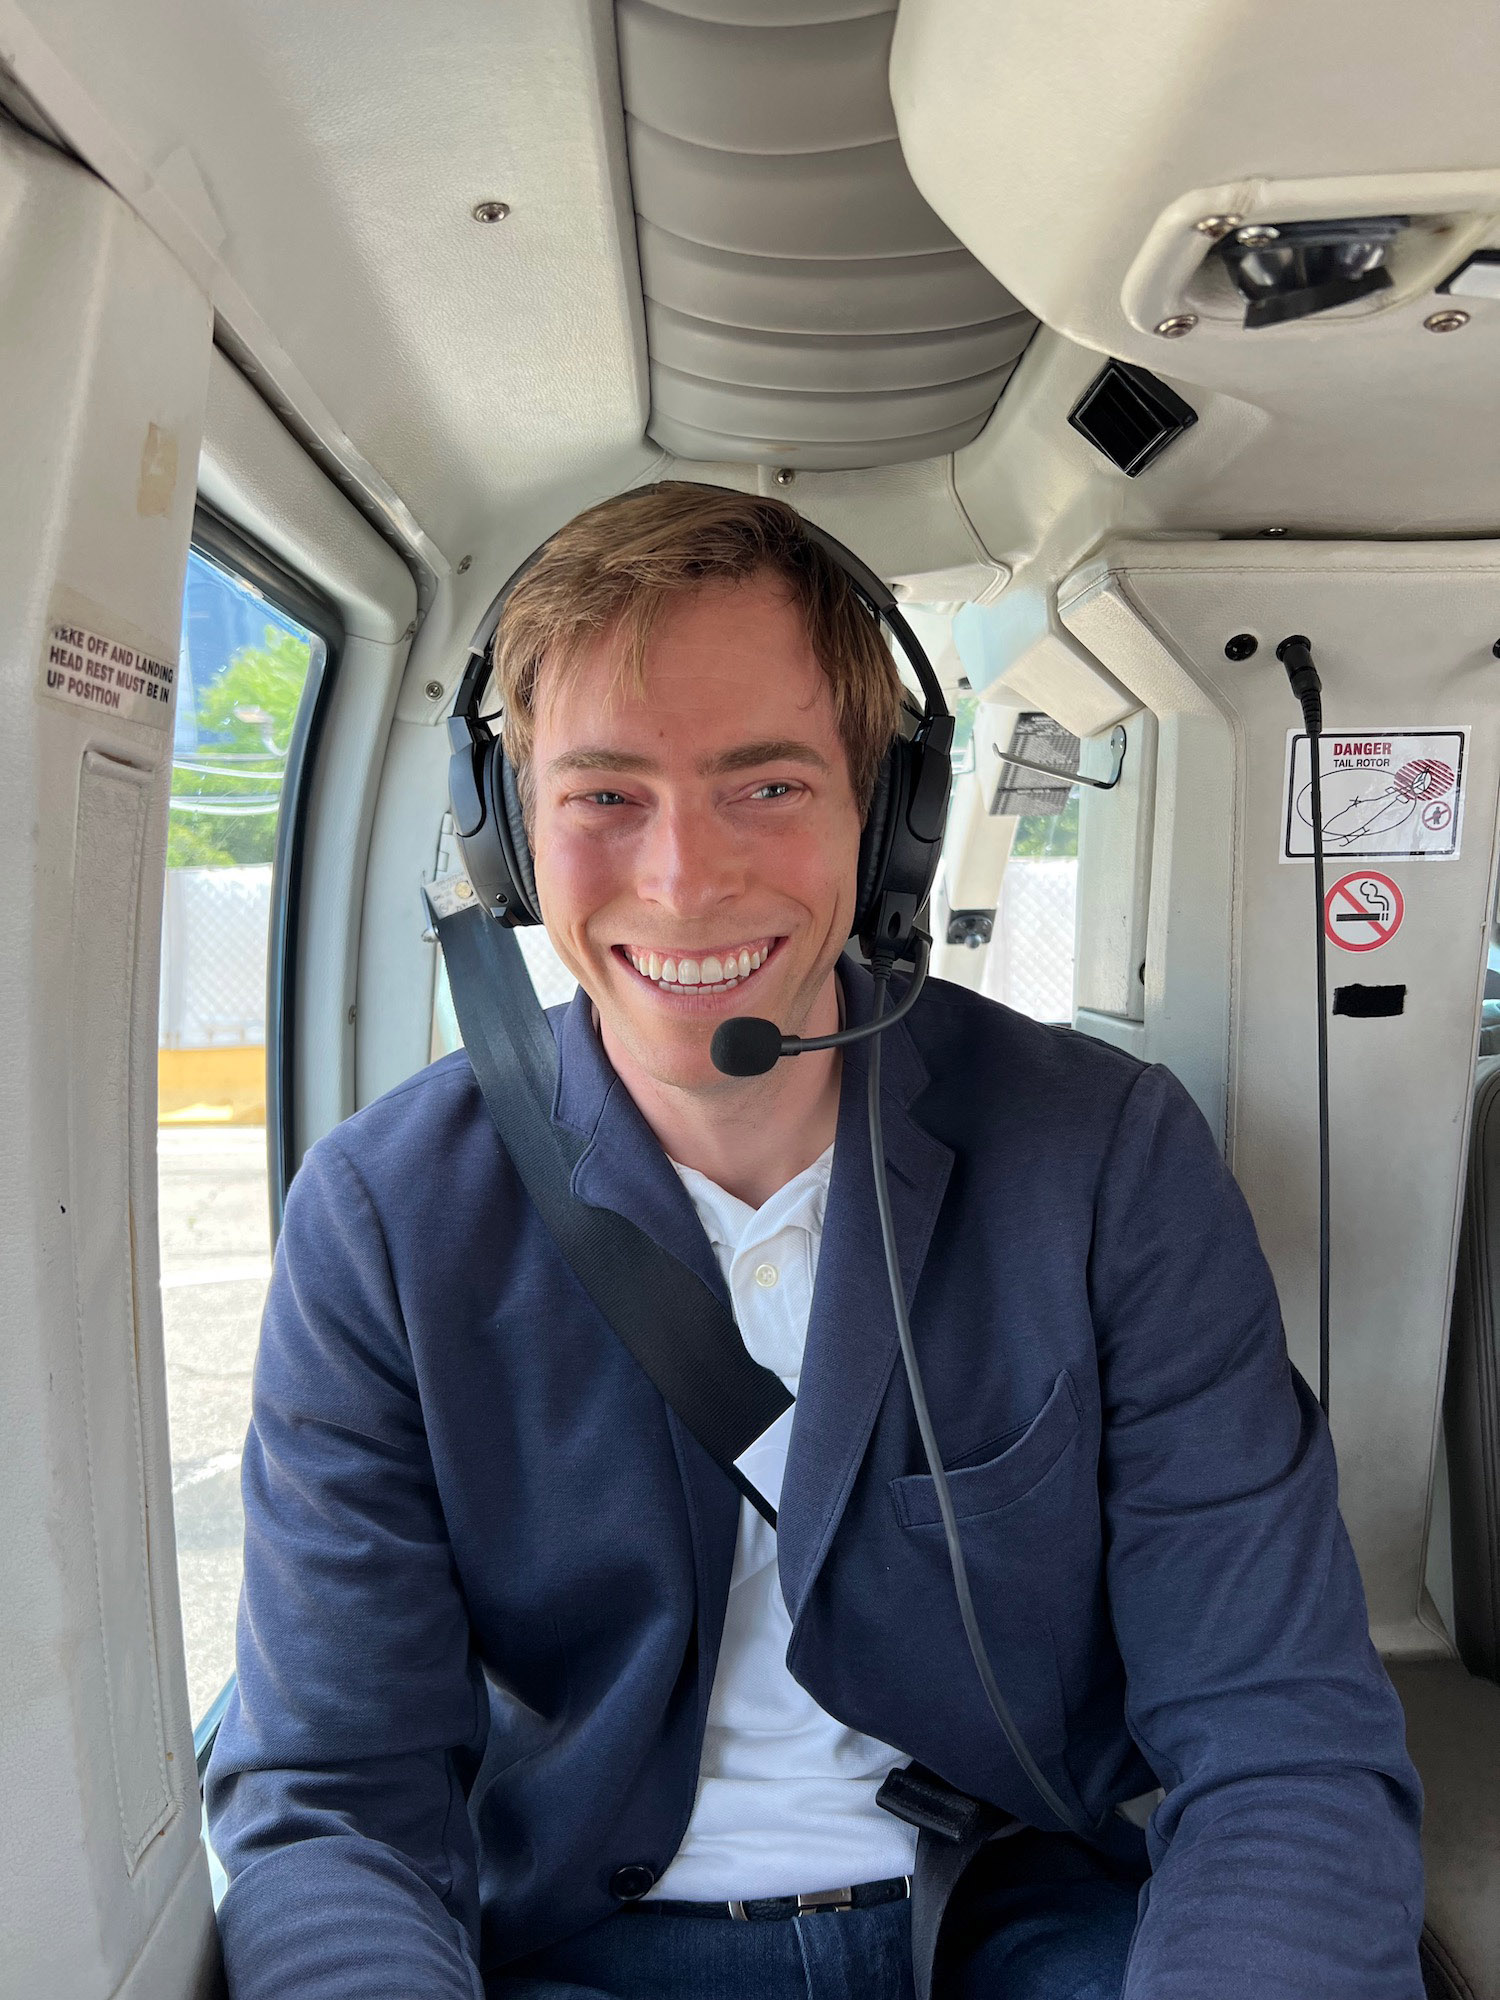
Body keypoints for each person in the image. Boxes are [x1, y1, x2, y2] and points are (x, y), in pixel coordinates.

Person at [206, 484, 1424, 1999]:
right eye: (603, 794)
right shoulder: (385, 1219)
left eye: (767, 785)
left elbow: (1280, 1733)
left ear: (892, 817)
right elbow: (336, 1807)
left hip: (1013, 1914)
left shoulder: (1106, 1157)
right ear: (509, 830)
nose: (683, 876)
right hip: (588, 1942)